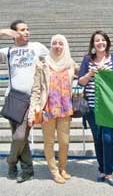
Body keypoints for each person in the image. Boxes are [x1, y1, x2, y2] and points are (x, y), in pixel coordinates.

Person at [0, 20, 48, 183]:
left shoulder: (37, 47)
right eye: (22, 30)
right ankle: (27, 170)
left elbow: (52, 60)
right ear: (14, 33)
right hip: (13, 98)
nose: (27, 32)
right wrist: (3, 32)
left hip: (31, 99)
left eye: (28, 29)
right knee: (19, 137)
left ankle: (11, 162)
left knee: (20, 136)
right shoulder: (8, 51)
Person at [27, 34, 77, 184]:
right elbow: (36, 90)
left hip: (65, 109)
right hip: (47, 109)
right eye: (54, 43)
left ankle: (63, 168)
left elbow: (84, 74)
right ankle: (54, 172)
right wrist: (32, 113)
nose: (57, 46)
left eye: (60, 43)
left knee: (64, 141)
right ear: (50, 45)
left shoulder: (70, 64)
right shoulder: (42, 64)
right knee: (49, 142)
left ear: (65, 45)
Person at [78, 30, 113, 186]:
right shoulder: (87, 60)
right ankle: (102, 169)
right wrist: (90, 73)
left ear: (107, 42)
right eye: (97, 40)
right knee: (98, 139)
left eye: (103, 40)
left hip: (110, 107)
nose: (100, 43)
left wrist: (109, 74)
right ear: (93, 44)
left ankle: (110, 173)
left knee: (108, 139)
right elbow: (81, 82)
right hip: (92, 107)